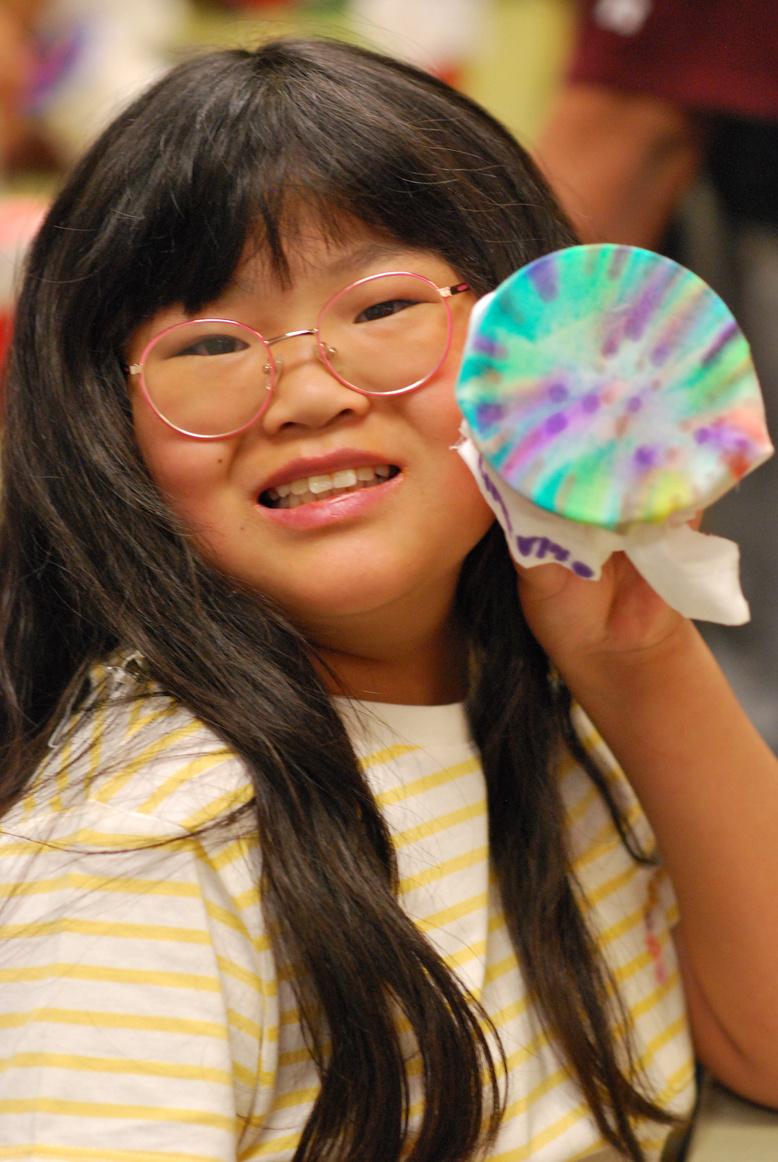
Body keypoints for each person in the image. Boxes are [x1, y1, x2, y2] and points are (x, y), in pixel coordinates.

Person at [0, 37, 776, 1162]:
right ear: (102, 424)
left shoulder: (554, 711)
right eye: (209, 343)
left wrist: (638, 657)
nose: (308, 394)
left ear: (535, 340)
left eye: (380, 308)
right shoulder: (135, 852)